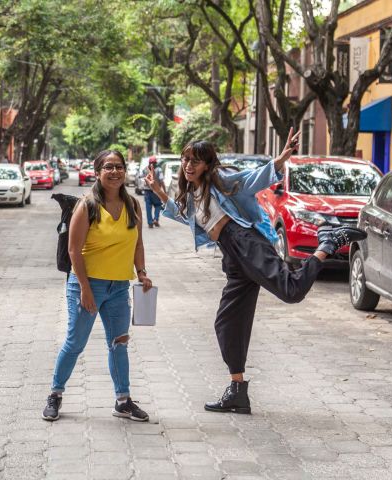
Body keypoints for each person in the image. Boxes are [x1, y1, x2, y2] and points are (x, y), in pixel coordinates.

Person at [144, 129, 367, 414]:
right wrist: (158, 190)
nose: (189, 165)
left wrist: (282, 158)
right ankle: (237, 391)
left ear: (208, 164)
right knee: (226, 323)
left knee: (291, 290)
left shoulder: (221, 182)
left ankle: (328, 242)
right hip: (232, 256)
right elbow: (185, 216)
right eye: (186, 159)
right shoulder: (193, 193)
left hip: (246, 242)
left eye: (196, 161)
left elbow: (253, 179)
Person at [43, 149, 154, 422]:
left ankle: (123, 400)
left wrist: (141, 272)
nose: (114, 172)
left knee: (119, 343)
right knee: (75, 342)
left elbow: (138, 243)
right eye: (108, 167)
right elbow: (74, 250)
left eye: (119, 167)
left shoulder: (133, 205)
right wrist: (84, 288)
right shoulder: (87, 205)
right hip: (87, 284)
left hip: (119, 286)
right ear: (98, 172)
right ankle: (55, 395)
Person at [143, 157, 165, 228]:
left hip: (147, 191)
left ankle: (150, 222)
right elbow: (161, 181)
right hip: (155, 191)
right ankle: (156, 219)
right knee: (158, 205)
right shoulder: (159, 170)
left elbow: (143, 179)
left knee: (148, 207)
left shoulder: (145, 170)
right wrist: (164, 190)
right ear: (156, 163)